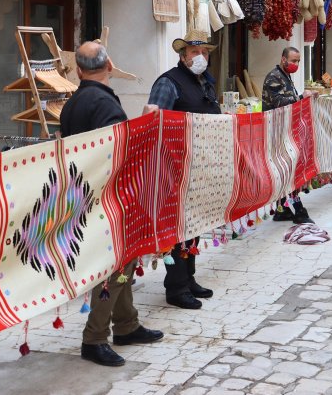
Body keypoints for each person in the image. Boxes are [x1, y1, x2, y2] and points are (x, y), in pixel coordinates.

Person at [60, 41, 164, 367]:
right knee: (116, 266)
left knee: (126, 260)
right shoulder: (104, 104)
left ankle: (127, 324)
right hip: (108, 197)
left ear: (78, 70)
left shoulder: (72, 104)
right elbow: (115, 152)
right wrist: (145, 125)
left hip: (83, 195)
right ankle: (94, 338)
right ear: (109, 66)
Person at [147, 30, 220, 310]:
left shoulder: (204, 82)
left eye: (204, 53)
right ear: (182, 56)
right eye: (194, 53)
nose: (200, 57)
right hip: (175, 166)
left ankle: (188, 278)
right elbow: (155, 124)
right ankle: (175, 287)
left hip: (200, 165)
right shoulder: (169, 83)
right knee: (177, 227)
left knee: (194, 224)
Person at [262, 46, 319, 223]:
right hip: (275, 132)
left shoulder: (286, 77)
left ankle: (282, 210)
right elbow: (279, 102)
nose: (296, 64)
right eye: (293, 61)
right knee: (288, 170)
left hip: (285, 131)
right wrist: (302, 96)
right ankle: (299, 211)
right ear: (283, 59)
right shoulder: (274, 77)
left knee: (285, 170)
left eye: (298, 61)